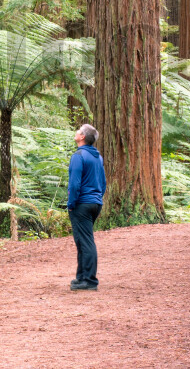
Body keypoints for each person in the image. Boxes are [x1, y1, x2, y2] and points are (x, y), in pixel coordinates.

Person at [67, 123, 106, 291]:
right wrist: (98, 197)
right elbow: (103, 182)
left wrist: (71, 203)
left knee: (86, 241)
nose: (76, 132)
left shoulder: (79, 155)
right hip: (95, 203)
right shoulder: (97, 156)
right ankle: (81, 277)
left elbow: (74, 184)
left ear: (82, 137)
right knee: (82, 240)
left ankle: (90, 280)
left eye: (79, 130)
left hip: (82, 203)